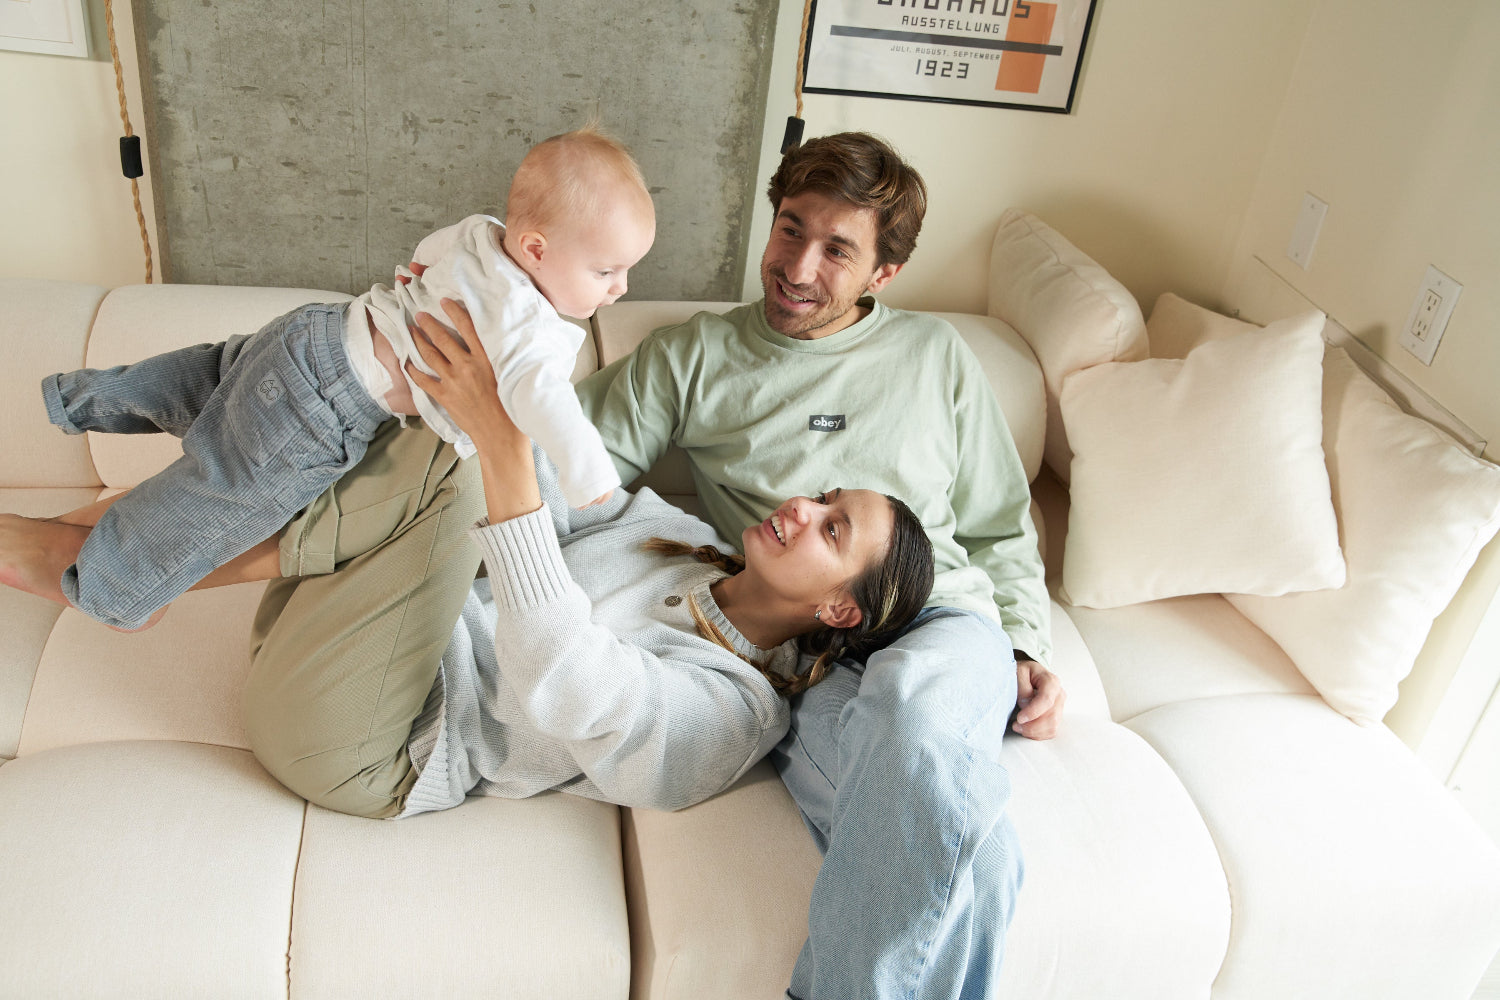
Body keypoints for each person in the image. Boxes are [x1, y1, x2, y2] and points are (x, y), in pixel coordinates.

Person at [0, 301, 937, 822]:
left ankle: (103, 568)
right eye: (822, 497)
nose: (800, 509)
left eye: (831, 531)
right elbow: (571, 491)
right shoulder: (683, 540)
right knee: (401, 407)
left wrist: (497, 446)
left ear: (843, 612)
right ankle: (92, 554)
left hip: (373, 747)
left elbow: (568, 691)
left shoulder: (735, 712)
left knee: (454, 467)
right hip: (343, 636)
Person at [572, 131, 1065, 999]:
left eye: (837, 249)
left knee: (910, 712)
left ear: (883, 275)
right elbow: (566, 466)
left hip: (940, 623)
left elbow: (998, 522)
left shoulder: (935, 356)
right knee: (974, 859)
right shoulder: (694, 358)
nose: (797, 266)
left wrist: (1025, 643)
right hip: (805, 657)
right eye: (791, 229)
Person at [21, 126, 653, 631]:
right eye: (607, 271)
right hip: (326, 401)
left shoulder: (484, 235)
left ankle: (83, 398)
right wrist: (588, 474)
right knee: (224, 494)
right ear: (538, 249)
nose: (620, 289)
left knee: (208, 377)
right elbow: (545, 401)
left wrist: (416, 282)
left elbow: (427, 253)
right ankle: (113, 583)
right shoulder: (529, 328)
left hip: (315, 330)